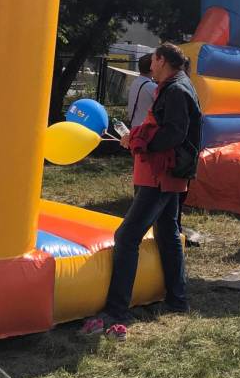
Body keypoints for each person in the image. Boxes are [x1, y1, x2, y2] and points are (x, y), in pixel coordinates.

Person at [80, 43, 202, 341]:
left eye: (154, 61)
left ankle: (117, 309)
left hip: (160, 175)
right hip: (168, 174)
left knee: (127, 237)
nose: (150, 66)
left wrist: (138, 141)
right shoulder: (178, 85)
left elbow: (174, 133)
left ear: (162, 60)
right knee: (168, 232)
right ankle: (177, 299)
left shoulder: (176, 90)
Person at [126, 53, 158, 128]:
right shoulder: (152, 87)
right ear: (152, 67)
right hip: (145, 129)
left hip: (134, 126)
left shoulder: (135, 82)